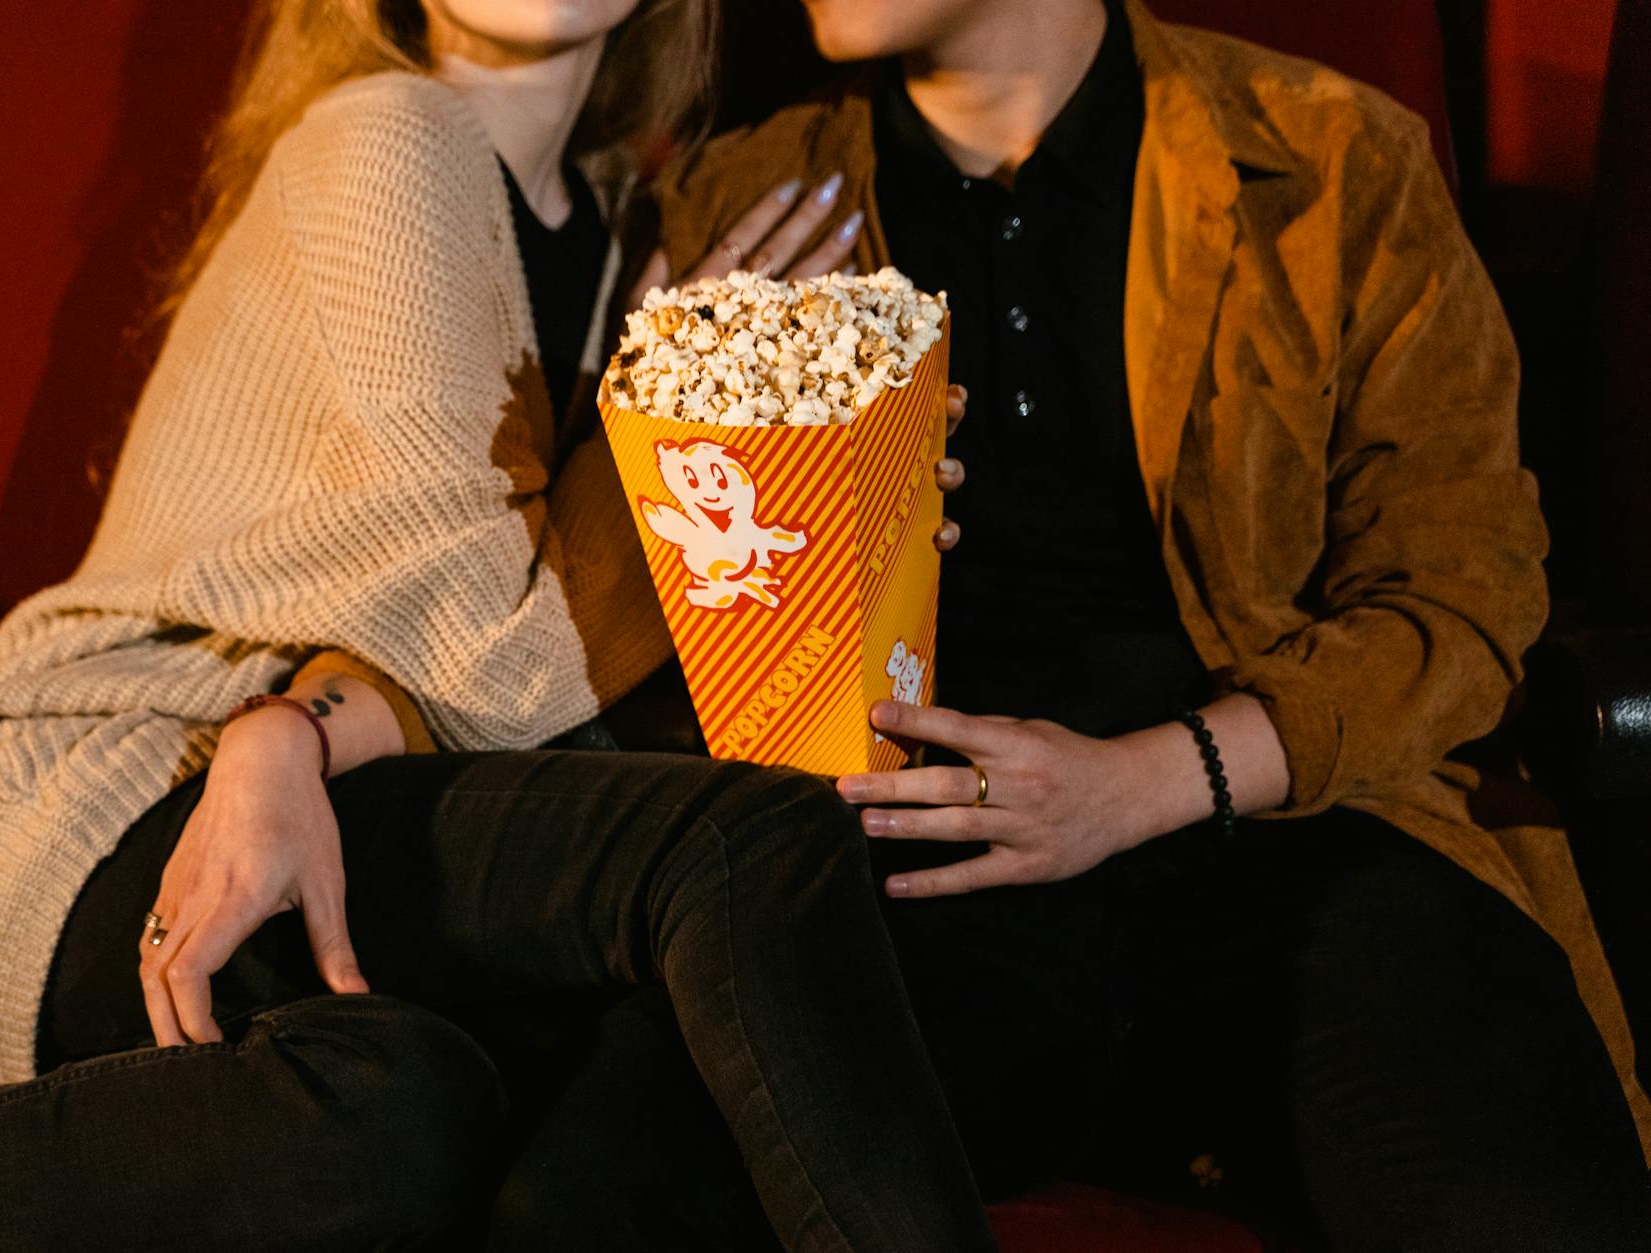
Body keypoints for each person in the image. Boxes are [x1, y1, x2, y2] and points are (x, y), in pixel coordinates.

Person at [0, 2, 996, 1251]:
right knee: (746, 849)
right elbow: (480, 645)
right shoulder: (389, 138)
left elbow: (559, 681)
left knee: (412, 1112)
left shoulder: (623, 218)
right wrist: (691, 441)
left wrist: (837, 494)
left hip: (332, 776)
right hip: (98, 791)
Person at [476, 0, 1651, 1248]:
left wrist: (1144, 781)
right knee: (581, 1202)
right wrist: (672, 415)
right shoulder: (748, 195)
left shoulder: (1331, 157)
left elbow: (1463, 599)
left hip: (1299, 823)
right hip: (908, 853)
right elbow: (638, 645)